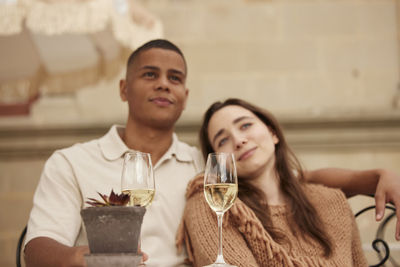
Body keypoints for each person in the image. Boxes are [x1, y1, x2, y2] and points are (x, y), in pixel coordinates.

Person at [24, 39, 399, 267]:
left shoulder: (207, 169)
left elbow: (294, 184)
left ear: (185, 96)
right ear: (123, 89)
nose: (163, 85)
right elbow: (38, 249)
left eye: (175, 78)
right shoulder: (72, 162)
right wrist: (80, 259)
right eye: (149, 74)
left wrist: (374, 176)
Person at [177, 98, 368, 266]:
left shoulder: (332, 201)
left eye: (245, 126)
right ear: (218, 160)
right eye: (223, 140)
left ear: (273, 133)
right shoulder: (213, 206)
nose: (238, 140)